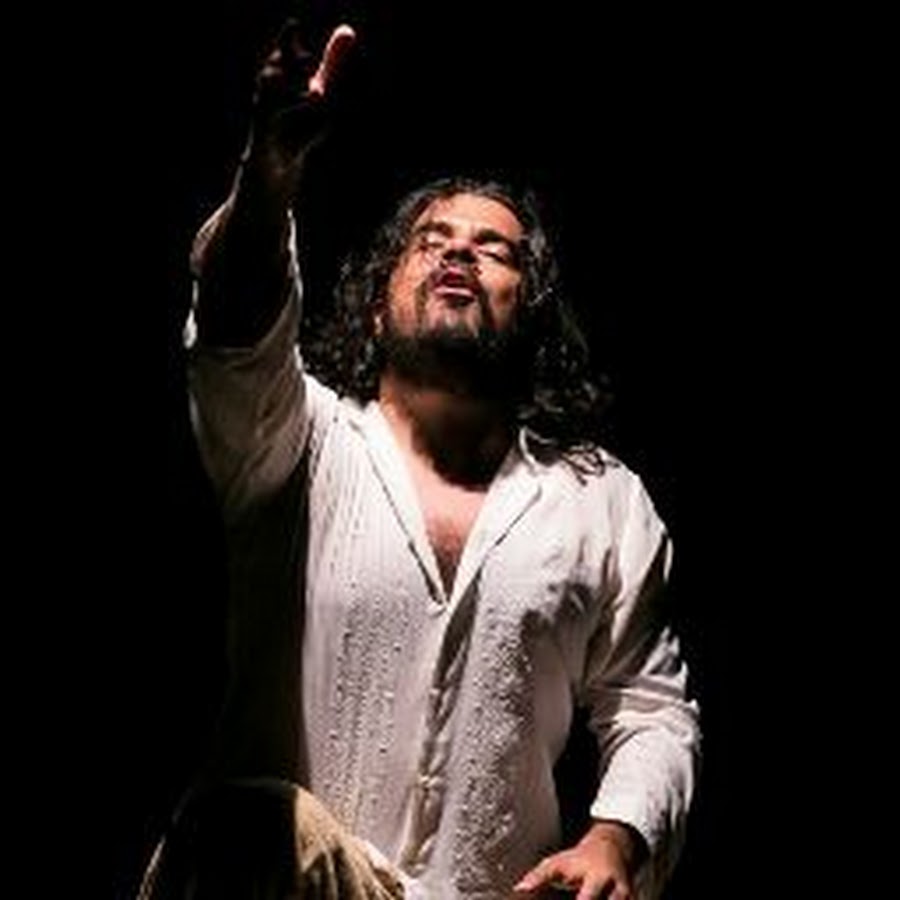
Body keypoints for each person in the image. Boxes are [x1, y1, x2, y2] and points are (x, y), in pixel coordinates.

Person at [142, 20, 700, 900]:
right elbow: (235, 325)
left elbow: (650, 705)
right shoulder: (295, 438)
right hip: (281, 884)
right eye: (431, 240)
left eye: (495, 248)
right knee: (258, 820)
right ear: (376, 306)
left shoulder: (602, 501)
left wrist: (616, 839)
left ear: (532, 314)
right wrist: (269, 172)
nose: (459, 251)